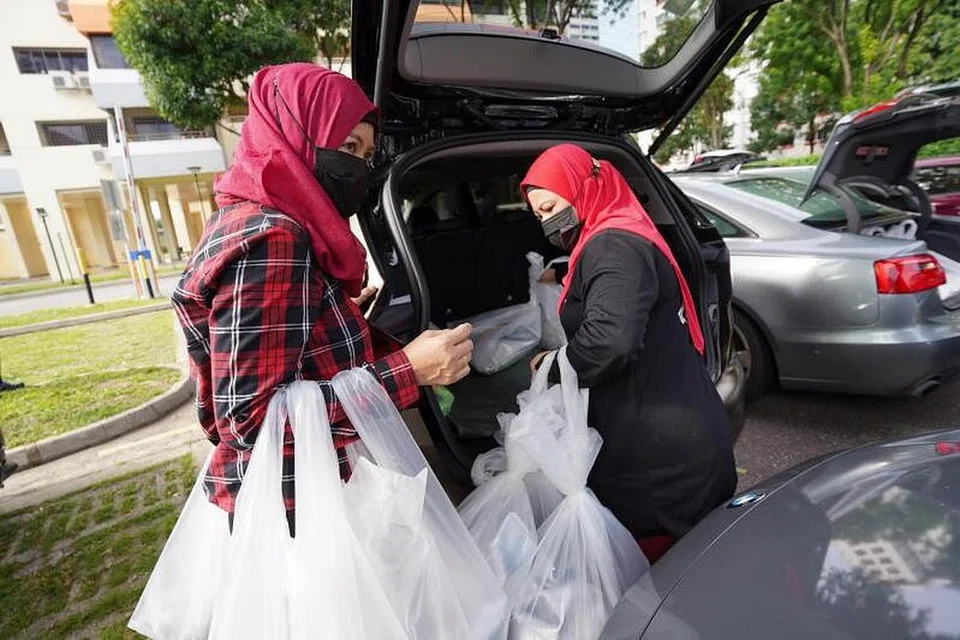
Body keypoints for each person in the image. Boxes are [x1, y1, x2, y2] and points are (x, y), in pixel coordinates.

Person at [172, 63, 473, 537]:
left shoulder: (244, 217)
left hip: (301, 497)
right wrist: (407, 371)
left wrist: (335, 316)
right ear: (296, 135)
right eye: (348, 147)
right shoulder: (274, 240)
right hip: (300, 514)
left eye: (367, 154)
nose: (359, 168)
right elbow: (252, 423)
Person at [521, 143, 737, 560]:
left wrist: (552, 366)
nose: (547, 222)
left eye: (550, 208)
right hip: (670, 431)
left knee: (675, 576)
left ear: (583, 188)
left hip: (663, 459)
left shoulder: (613, 245)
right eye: (539, 215)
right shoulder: (612, 234)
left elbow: (610, 341)